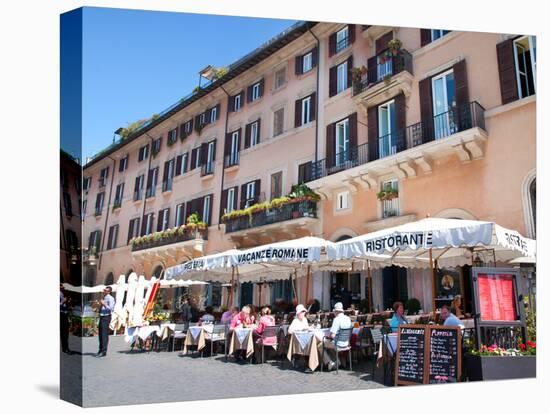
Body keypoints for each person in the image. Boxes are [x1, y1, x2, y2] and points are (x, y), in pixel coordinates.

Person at [322, 302, 352, 371]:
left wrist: (327, 335)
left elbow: (332, 336)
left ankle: (329, 362)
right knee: (329, 344)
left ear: (336, 311)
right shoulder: (348, 318)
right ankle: (337, 361)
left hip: (338, 344)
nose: (334, 313)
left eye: (334, 312)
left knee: (321, 344)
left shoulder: (336, 319)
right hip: (346, 343)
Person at [96, 286, 115, 357]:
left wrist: (104, 304)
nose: (104, 291)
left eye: (105, 290)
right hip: (101, 316)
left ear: (109, 291)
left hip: (106, 317)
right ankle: (100, 349)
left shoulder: (111, 298)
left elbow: (111, 308)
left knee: (104, 334)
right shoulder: (104, 297)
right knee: (100, 334)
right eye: (104, 290)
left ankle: (104, 351)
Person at [60, 284, 71, 354]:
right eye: (61, 287)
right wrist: (63, 301)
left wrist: (67, 302)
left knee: (65, 332)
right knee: (64, 332)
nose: (63, 288)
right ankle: (65, 348)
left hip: (65, 314)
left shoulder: (62, 294)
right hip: (61, 314)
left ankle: (65, 348)